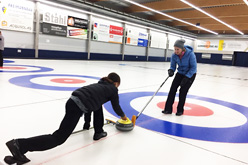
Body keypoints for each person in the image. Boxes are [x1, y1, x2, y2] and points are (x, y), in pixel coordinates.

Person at [5, 72, 127, 164]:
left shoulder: (99, 85)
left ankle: (99, 132)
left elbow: (94, 104)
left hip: (72, 101)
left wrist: (87, 124)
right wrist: (123, 116)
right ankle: (20, 145)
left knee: (95, 107)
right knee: (58, 138)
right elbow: (116, 107)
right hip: (78, 107)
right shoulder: (112, 89)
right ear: (116, 83)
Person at [162, 39, 197, 116]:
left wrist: (187, 77)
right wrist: (171, 70)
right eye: (175, 49)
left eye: (178, 49)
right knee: (172, 90)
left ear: (182, 49)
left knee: (182, 92)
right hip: (180, 73)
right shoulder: (174, 55)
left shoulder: (190, 54)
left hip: (190, 74)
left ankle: (180, 110)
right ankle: (168, 109)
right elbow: (173, 65)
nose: (176, 51)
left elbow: (193, 68)